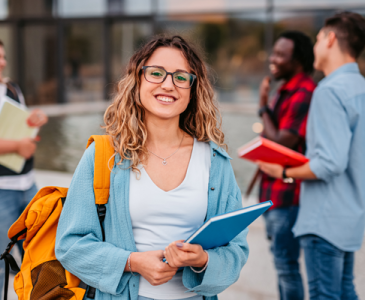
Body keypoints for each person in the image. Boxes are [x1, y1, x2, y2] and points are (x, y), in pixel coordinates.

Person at [55, 35, 249, 300]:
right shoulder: (104, 155)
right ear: (137, 80)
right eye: (156, 73)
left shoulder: (215, 162)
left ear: (193, 89)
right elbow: (70, 245)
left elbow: (236, 250)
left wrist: (203, 260)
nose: (168, 85)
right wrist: (132, 262)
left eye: (181, 77)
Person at [258, 12, 365, 300]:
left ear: (330, 39)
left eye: (318, 39)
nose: (315, 47)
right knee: (344, 291)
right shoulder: (360, 88)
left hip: (324, 220)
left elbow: (330, 163)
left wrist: (283, 172)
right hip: (350, 217)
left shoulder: (329, 91)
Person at [257, 31, 316, 300]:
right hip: (274, 192)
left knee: (286, 267)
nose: (273, 59)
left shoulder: (303, 92)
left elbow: (283, 142)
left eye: (281, 55)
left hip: (287, 194)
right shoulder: (286, 89)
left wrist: (263, 109)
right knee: (282, 265)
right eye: (274, 52)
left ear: (299, 60)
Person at [0, 40, 48, 295]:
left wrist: (34, 120)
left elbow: (23, 123)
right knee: (0, 266)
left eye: (3, 56)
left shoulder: (12, 89)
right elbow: (17, 140)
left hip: (28, 187)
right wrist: (17, 145)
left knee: (39, 258)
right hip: (1, 193)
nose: (3, 62)